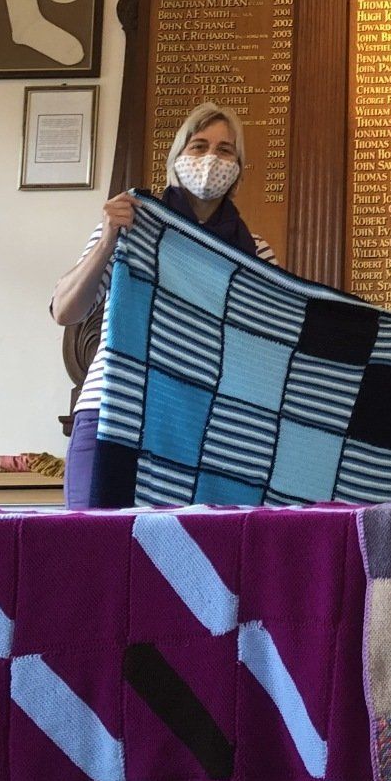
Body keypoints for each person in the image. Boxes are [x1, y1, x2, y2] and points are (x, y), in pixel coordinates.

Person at [51, 101, 277, 507]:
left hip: (202, 424)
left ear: (239, 169)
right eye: (199, 146)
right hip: (113, 406)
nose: (211, 159)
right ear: (176, 159)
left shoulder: (255, 253)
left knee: (192, 543)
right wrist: (107, 240)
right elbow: (66, 310)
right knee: (94, 538)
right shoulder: (131, 228)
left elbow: (276, 343)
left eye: (225, 150)